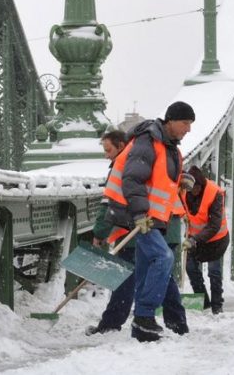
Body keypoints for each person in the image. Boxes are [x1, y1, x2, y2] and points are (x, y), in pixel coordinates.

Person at [105, 101, 195, 342]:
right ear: (171, 120)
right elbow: (133, 178)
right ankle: (144, 317)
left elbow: (156, 180)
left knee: (146, 266)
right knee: (163, 257)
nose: (188, 129)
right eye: (185, 123)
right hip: (140, 215)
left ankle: (141, 330)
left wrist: (181, 180)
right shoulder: (148, 141)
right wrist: (139, 214)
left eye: (190, 124)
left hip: (153, 217)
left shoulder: (169, 147)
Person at [88, 129, 185, 336]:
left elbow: (110, 202)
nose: (106, 155)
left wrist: (99, 233)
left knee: (125, 278)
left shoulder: (126, 162)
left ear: (121, 146)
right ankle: (176, 323)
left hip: (140, 227)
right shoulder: (151, 153)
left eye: (108, 150)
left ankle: (112, 324)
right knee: (162, 277)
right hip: (165, 223)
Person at [179, 166, 229, 314]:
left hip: (216, 239)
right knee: (191, 268)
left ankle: (217, 306)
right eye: (190, 188)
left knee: (214, 272)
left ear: (201, 186)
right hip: (195, 238)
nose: (192, 191)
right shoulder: (183, 191)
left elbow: (214, 225)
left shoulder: (215, 193)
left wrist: (195, 239)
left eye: (195, 188)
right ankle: (204, 303)